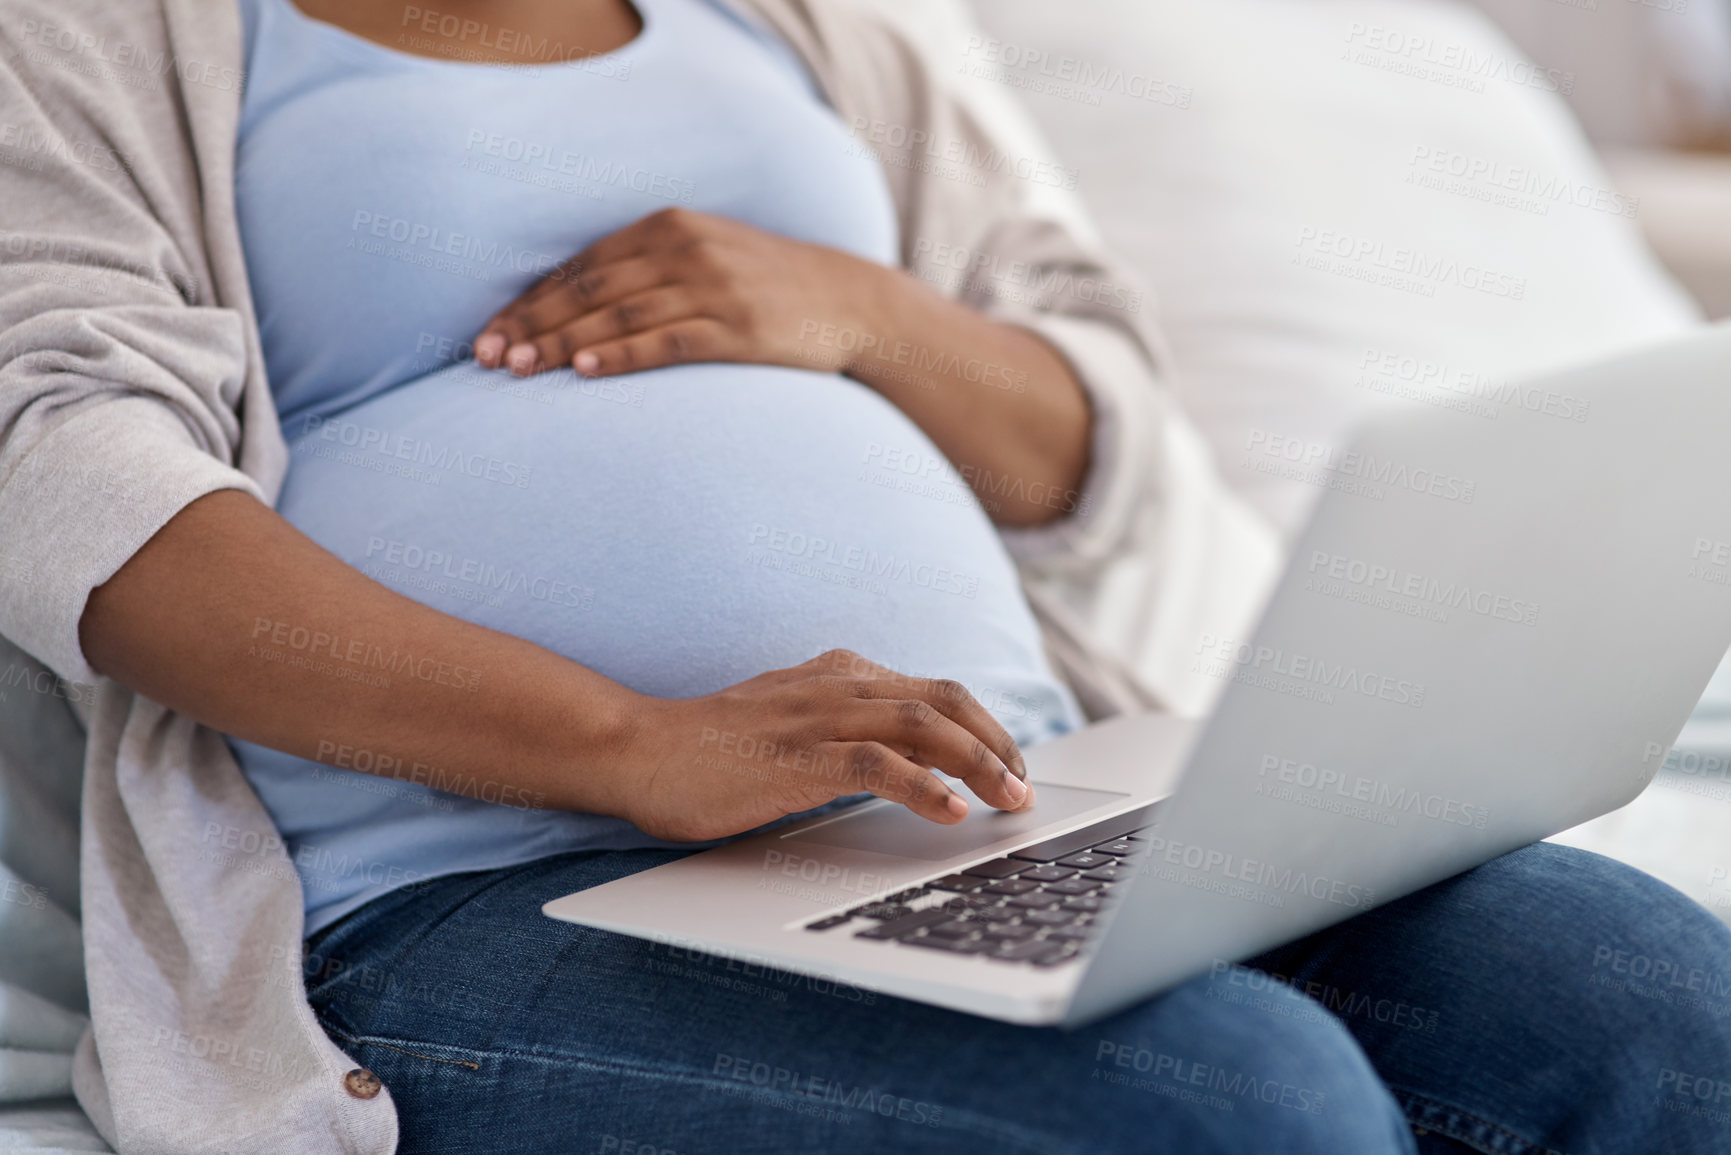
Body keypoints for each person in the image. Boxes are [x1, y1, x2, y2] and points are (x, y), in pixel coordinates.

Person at [5, 0, 1730, 1151]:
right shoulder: (95, 36)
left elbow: (1085, 432)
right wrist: (626, 740)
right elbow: (61, 472)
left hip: (1013, 810)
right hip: (484, 881)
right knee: (1234, 1109)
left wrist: (868, 315)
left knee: (1654, 1003)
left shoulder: (808, 21)